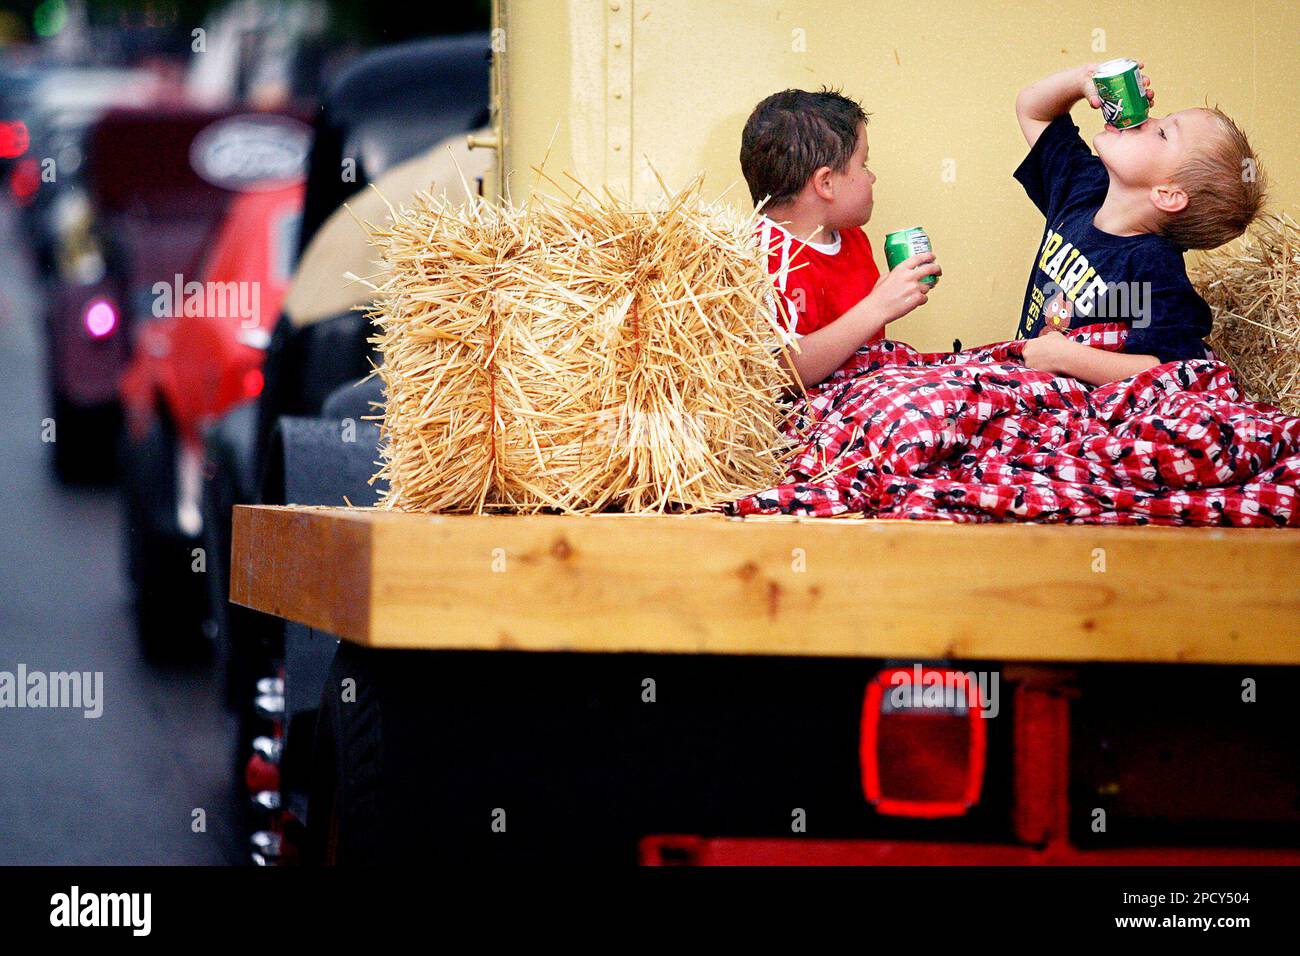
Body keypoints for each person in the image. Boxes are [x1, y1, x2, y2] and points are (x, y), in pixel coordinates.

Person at [1014, 62, 1265, 384]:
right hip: (1023, 383)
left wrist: (1066, 358)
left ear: (1168, 194)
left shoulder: (1152, 264)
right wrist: (1082, 82)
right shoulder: (1083, 188)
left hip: (1074, 414)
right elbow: (1034, 111)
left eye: (1162, 132)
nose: (1144, 119)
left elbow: (1175, 368)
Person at [740, 88, 941, 388]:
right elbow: (779, 376)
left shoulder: (852, 238)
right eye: (864, 164)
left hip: (868, 389)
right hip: (814, 416)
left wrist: (891, 293)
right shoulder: (764, 254)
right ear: (826, 183)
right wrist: (878, 306)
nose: (871, 177)